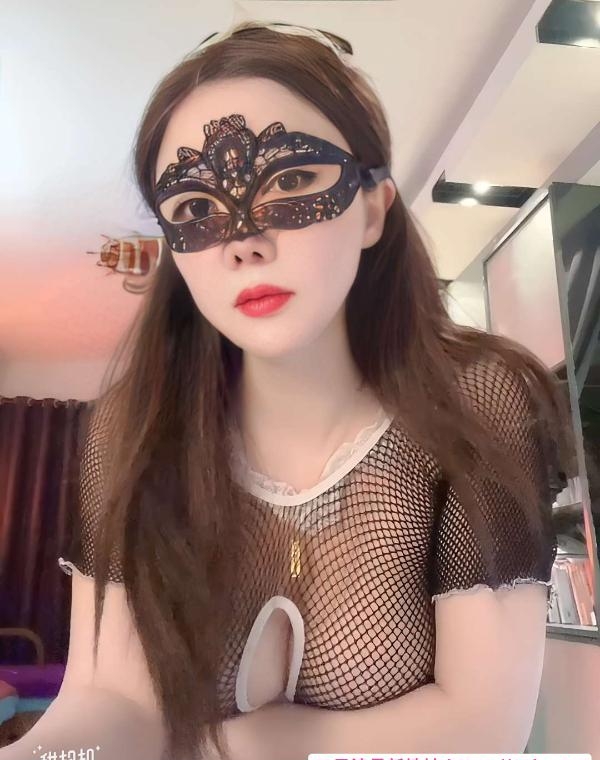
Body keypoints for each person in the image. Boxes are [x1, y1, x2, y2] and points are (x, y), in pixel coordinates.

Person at [3, 21, 576, 760]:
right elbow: (109, 700)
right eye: (195, 208)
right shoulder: (130, 431)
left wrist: (219, 747)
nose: (244, 242)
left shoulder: (481, 404)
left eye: (291, 181)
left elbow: (482, 727)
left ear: (373, 209)